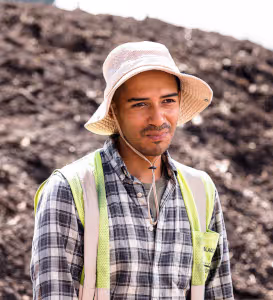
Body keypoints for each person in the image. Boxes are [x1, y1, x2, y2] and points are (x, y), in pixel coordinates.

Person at [30, 41, 234, 299]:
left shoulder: (201, 191)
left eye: (168, 101)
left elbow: (218, 292)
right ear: (114, 110)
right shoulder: (70, 190)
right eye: (140, 104)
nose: (158, 119)